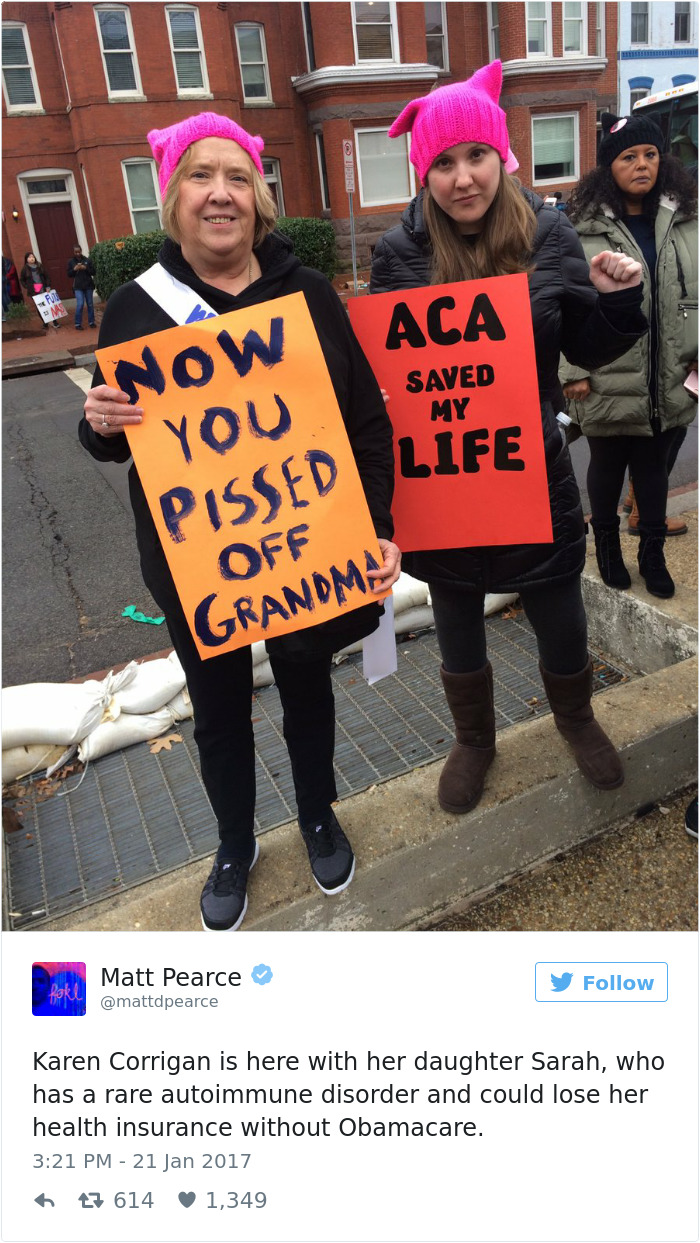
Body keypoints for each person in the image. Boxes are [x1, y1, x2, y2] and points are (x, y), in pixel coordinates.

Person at [79, 112, 400, 931]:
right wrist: (98, 423)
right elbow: (114, 444)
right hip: (197, 566)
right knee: (217, 708)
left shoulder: (309, 294)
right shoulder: (133, 309)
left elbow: (365, 419)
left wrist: (375, 526)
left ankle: (318, 813)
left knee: (306, 687)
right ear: (172, 198)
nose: (218, 193)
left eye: (235, 178)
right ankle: (233, 843)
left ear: (258, 199)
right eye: (198, 176)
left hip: (309, 548)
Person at [370, 61, 647, 816]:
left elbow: (586, 348)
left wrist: (619, 302)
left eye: (476, 156)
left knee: (559, 602)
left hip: (532, 463)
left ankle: (576, 717)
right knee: (455, 608)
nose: (463, 177)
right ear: (424, 173)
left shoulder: (550, 232)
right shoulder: (398, 255)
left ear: (502, 156)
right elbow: (385, 369)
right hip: (444, 473)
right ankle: (475, 739)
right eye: (443, 162)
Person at [561, 112, 698, 599]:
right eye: (628, 157)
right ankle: (608, 552)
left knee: (654, 471)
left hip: (670, 377)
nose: (642, 165)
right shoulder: (579, 229)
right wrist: (572, 369)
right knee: (604, 467)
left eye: (650, 154)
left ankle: (652, 556)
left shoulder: (687, 220)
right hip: (605, 374)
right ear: (607, 167)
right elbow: (564, 305)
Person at [19, 250, 58, 330]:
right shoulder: (25, 269)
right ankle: (45, 323)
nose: (31, 258)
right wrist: (27, 286)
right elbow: (22, 279)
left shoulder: (40, 266)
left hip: (43, 289)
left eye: (33, 256)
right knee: (40, 307)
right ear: (26, 259)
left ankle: (55, 322)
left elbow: (47, 276)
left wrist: (48, 286)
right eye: (29, 257)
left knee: (49, 305)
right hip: (34, 291)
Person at [67, 243, 96, 330]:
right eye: (76, 252)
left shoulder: (87, 260)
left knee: (90, 304)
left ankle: (91, 322)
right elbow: (69, 274)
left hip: (88, 285)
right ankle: (77, 323)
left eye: (79, 252)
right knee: (80, 304)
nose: (77, 254)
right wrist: (74, 269)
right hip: (78, 286)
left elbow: (93, 272)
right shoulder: (71, 262)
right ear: (73, 252)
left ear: (81, 251)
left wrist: (86, 268)